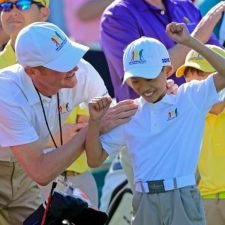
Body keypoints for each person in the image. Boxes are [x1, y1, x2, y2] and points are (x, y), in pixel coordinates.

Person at [85, 22, 225, 224]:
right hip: (144, 201)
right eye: (136, 81)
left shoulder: (189, 98)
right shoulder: (130, 113)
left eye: (150, 77)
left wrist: (189, 41)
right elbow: (95, 160)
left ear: (167, 70)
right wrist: (94, 122)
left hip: (182, 197)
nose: (144, 87)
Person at [0, 22, 138, 225]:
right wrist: (92, 127)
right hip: (28, 168)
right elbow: (41, 172)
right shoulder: (7, 92)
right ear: (32, 72)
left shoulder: (81, 71)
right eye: (61, 62)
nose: (74, 65)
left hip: (23, 173)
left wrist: (160, 95)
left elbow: (112, 121)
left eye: (71, 54)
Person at [100, 0, 224, 102]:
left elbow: (219, 59)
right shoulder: (117, 15)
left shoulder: (185, 6)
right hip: (148, 124)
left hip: (199, 116)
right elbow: (140, 75)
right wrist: (197, 37)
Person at [175, 45, 225, 225]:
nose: (192, 83)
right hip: (205, 202)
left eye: (201, 74)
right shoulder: (185, 116)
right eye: (188, 75)